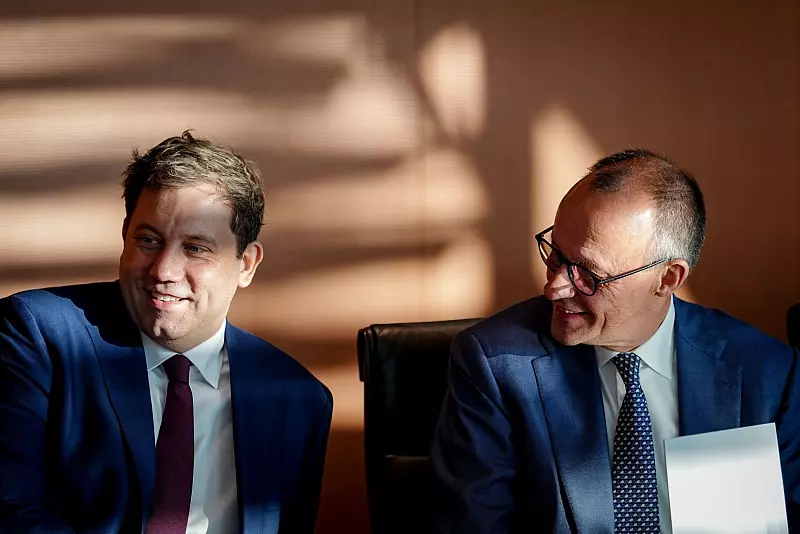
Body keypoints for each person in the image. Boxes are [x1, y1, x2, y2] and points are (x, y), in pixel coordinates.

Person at [430, 149, 799, 533]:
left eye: (588, 274)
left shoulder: (766, 374)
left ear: (667, 278)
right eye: (555, 256)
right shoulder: (497, 364)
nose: (554, 287)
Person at [0, 131, 333, 533]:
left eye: (195, 248)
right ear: (125, 235)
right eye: (148, 240)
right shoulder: (38, 333)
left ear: (246, 264)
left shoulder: (299, 399)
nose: (163, 271)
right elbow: (10, 511)